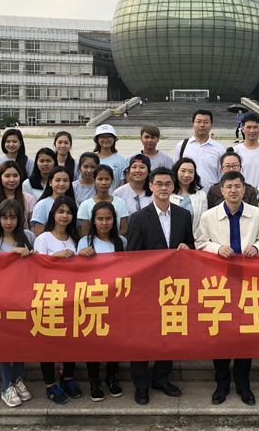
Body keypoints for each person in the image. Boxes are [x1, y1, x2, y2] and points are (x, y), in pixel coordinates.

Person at [195, 171, 259, 406]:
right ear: (221, 190)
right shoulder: (209, 216)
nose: (233, 190)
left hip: (248, 284)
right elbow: (200, 243)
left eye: (238, 186)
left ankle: (243, 384)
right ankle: (221, 384)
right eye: (229, 187)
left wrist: (256, 248)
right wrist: (217, 249)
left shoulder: (257, 214)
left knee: (245, 335)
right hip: (219, 284)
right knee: (220, 334)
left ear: (244, 189)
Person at [126, 167, 194, 405]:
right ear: (151, 186)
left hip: (174, 287)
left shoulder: (183, 215)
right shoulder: (138, 218)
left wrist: (187, 248)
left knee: (169, 334)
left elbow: (191, 245)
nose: (163, 188)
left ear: (173, 187)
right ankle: (141, 384)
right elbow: (132, 256)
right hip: (146, 288)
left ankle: (161, 379)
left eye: (167, 184)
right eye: (159, 184)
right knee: (142, 337)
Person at [0, 199, 35, 407]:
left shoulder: (29, 237)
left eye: (13, 217)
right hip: (0, 301)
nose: (9, 222)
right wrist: (10, 255)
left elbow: (39, 263)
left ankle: (18, 379)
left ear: (20, 218)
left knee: (21, 341)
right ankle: (6, 386)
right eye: (4, 217)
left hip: (24, 299)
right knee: (3, 343)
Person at [31, 196, 84, 404]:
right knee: (48, 342)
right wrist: (56, 258)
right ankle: (50, 385)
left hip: (73, 297)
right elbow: (36, 268)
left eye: (69, 212)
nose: (65, 216)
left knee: (71, 341)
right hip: (49, 298)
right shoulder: (43, 238)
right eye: (61, 211)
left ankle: (68, 378)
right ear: (53, 213)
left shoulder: (76, 239)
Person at [76, 201, 128, 401]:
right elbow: (76, 271)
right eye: (100, 219)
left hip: (115, 299)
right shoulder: (84, 242)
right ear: (93, 221)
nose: (104, 223)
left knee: (114, 340)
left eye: (108, 218)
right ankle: (94, 380)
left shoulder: (121, 242)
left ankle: (112, 377)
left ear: (114, 220)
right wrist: (80, 256)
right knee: (92, 342)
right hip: (92, 299)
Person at [175, 109, 226, 190]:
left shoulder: (219, 148)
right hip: (187, 194)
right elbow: (176, 171)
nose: (202, 125)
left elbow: (222, 175)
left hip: (211, 194)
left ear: (211, 126)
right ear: (193, 125)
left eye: (206, 122)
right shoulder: (182, 146)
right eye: (198, 122)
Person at [77, 165, 129, 236]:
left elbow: (124, 229)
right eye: (100, 179)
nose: (104, 183)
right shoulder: (85, 205)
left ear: (112, 181)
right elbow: (85, 233)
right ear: (94, 181)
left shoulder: (120, 202)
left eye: (107, 179)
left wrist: (112, 240)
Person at [0, 162, 36, 229]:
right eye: (7, 176)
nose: (12, 180)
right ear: (0, 178)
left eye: (15, 176)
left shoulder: (29, 198)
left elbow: (33, 226)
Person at [30, 166, 73, 235]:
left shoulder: (73, 203)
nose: (62, 184)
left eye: (65, 180)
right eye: (58, 180)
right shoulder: (42, 205)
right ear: (50, 182)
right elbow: (39, 234)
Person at [170, 157, 208, 231]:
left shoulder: (201, 195)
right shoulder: (168, 194)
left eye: (191, 172)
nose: (186, 175)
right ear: (176, 171)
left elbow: (203, 221)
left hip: (195, 236)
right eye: (183, 171)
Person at [114, 154, 154, 219]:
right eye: (134, 167)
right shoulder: (119, 193)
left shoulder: (155, 192)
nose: (137, 171)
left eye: (142, 167)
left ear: (148, 172)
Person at [93, 124, 126, 194]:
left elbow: (122, 183)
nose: (106, 139)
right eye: (102, 137)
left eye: (109, 136)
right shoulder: (92, 159)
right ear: (97, 140)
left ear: (114, 139)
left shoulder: (121, 159)